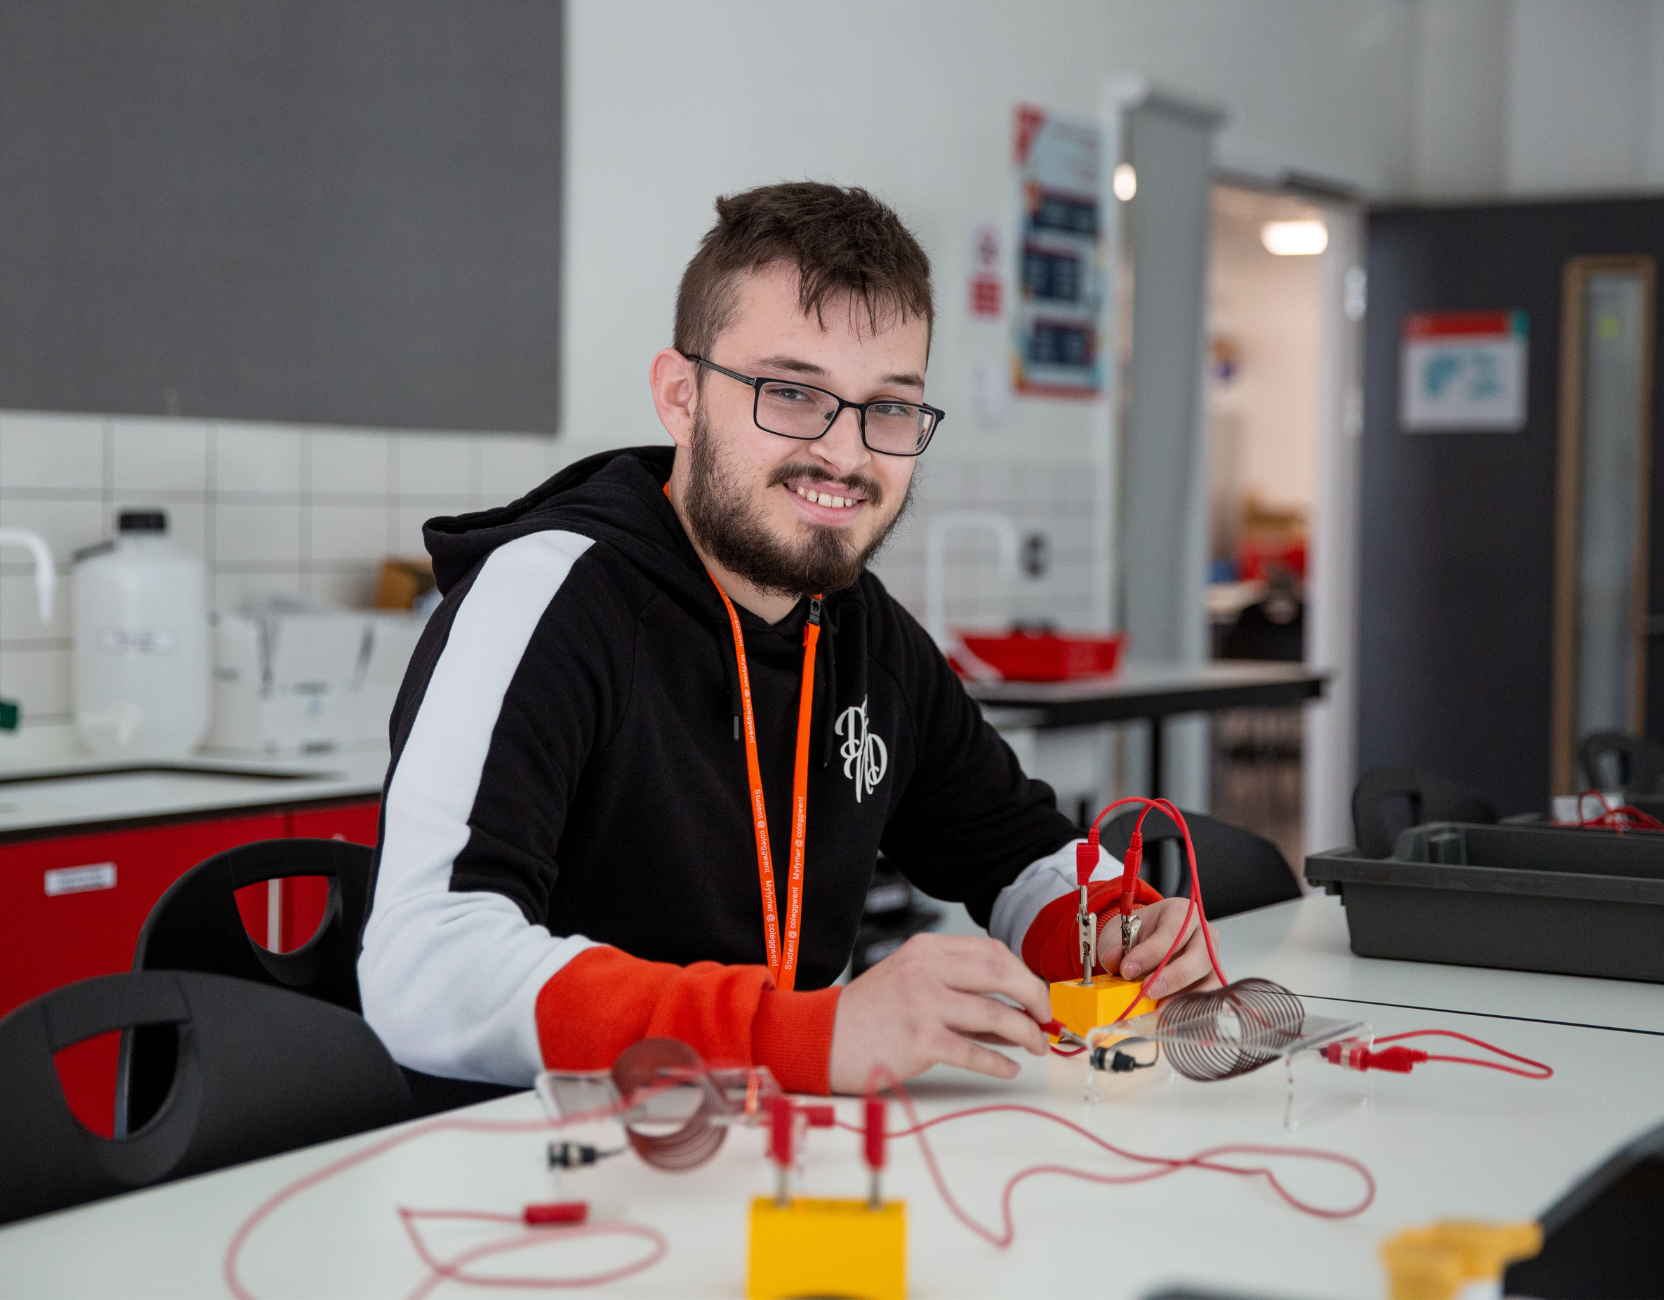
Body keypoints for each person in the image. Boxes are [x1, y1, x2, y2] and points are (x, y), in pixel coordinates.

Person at [359, 182, 1218, 1098]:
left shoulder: (860, 627)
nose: (846, 455)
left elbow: (1019, 853)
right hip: (532, 1176)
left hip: (778, 1160)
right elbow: (424, 966)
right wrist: (795, 1031)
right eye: (793, 393)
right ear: (680, 397)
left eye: (889, 408)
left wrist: (1116, 929)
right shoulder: (548, 597)